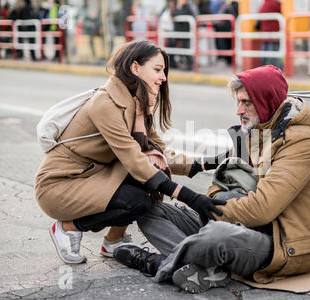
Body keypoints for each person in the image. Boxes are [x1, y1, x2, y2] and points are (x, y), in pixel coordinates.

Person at [114, 65, 310, 294]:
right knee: (150, 210)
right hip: (243, 223)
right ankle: (200, 266)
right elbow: (221, 173)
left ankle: (158, 263)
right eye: (237, 102)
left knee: (216, 235)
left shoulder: (300, 142)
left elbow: (262, 209)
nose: (239, 110)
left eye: (246, 102)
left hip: (283, 243)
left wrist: (214, 207)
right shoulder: (258, 129)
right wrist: (213, 196)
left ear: (266, 100)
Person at [34, 40, 225, 265]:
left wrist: (211, 162)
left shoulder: (138, 105)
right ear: (135, 68)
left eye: (164, 71)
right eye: (157, 69)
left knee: (147, 176)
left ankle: (113, 242)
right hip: (60, 185)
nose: (163, 77)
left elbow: (158, 151)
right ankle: (67, 227)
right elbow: (134, 159)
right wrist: (189, 197)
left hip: (93, 176)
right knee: (138, 199)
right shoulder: (105, 104)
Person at [257, 0, 283, 70]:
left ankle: (263, 70)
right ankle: (276, 70)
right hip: (273, 33)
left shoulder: (263, 4)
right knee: (273, 55)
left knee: (264, 54)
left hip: (264, 33)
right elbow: (282, 13)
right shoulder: (276, 4)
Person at [171, 0, 195, 70]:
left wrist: (177, 14)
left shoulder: (188, 7)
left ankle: (190, 65)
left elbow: (183, 14)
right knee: (181, 49)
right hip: (179, 32)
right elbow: (173, 14)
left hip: (186, 32)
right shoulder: (178, 7)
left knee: (186, 49)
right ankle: (185, 64)